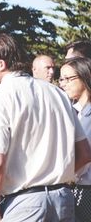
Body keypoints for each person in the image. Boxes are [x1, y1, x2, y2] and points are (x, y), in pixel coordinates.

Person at [0, 33, 91, 222]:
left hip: (24, 202)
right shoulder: (57, 93)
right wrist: (61, 175)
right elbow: (85, 152)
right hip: (63, 199)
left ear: (1, 63)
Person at [59, 56, 91, 220]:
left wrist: (65, 177)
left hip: (86, 188)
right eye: (61, 79)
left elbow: (85, 156)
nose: (63, 84)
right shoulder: (74, 111)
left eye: (68, 79)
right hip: (77, 186)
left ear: (84, 76)